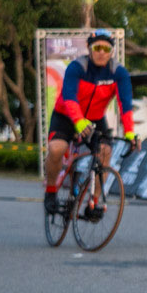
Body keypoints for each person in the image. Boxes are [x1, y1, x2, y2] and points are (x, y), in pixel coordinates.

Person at [43, 30, 135, 216]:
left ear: (112, 52)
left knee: (104, 153)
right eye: (97, 47)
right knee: (56, 149)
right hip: (66, 116)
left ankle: (94, 202)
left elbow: (125, 104)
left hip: (95, 119)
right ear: (89, 48)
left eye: (106, 49)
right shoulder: (77, 67)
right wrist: (78, 121)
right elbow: (69, 96)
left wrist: (130, 132)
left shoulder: (118, 73)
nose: (101, 52)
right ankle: (50, 191)